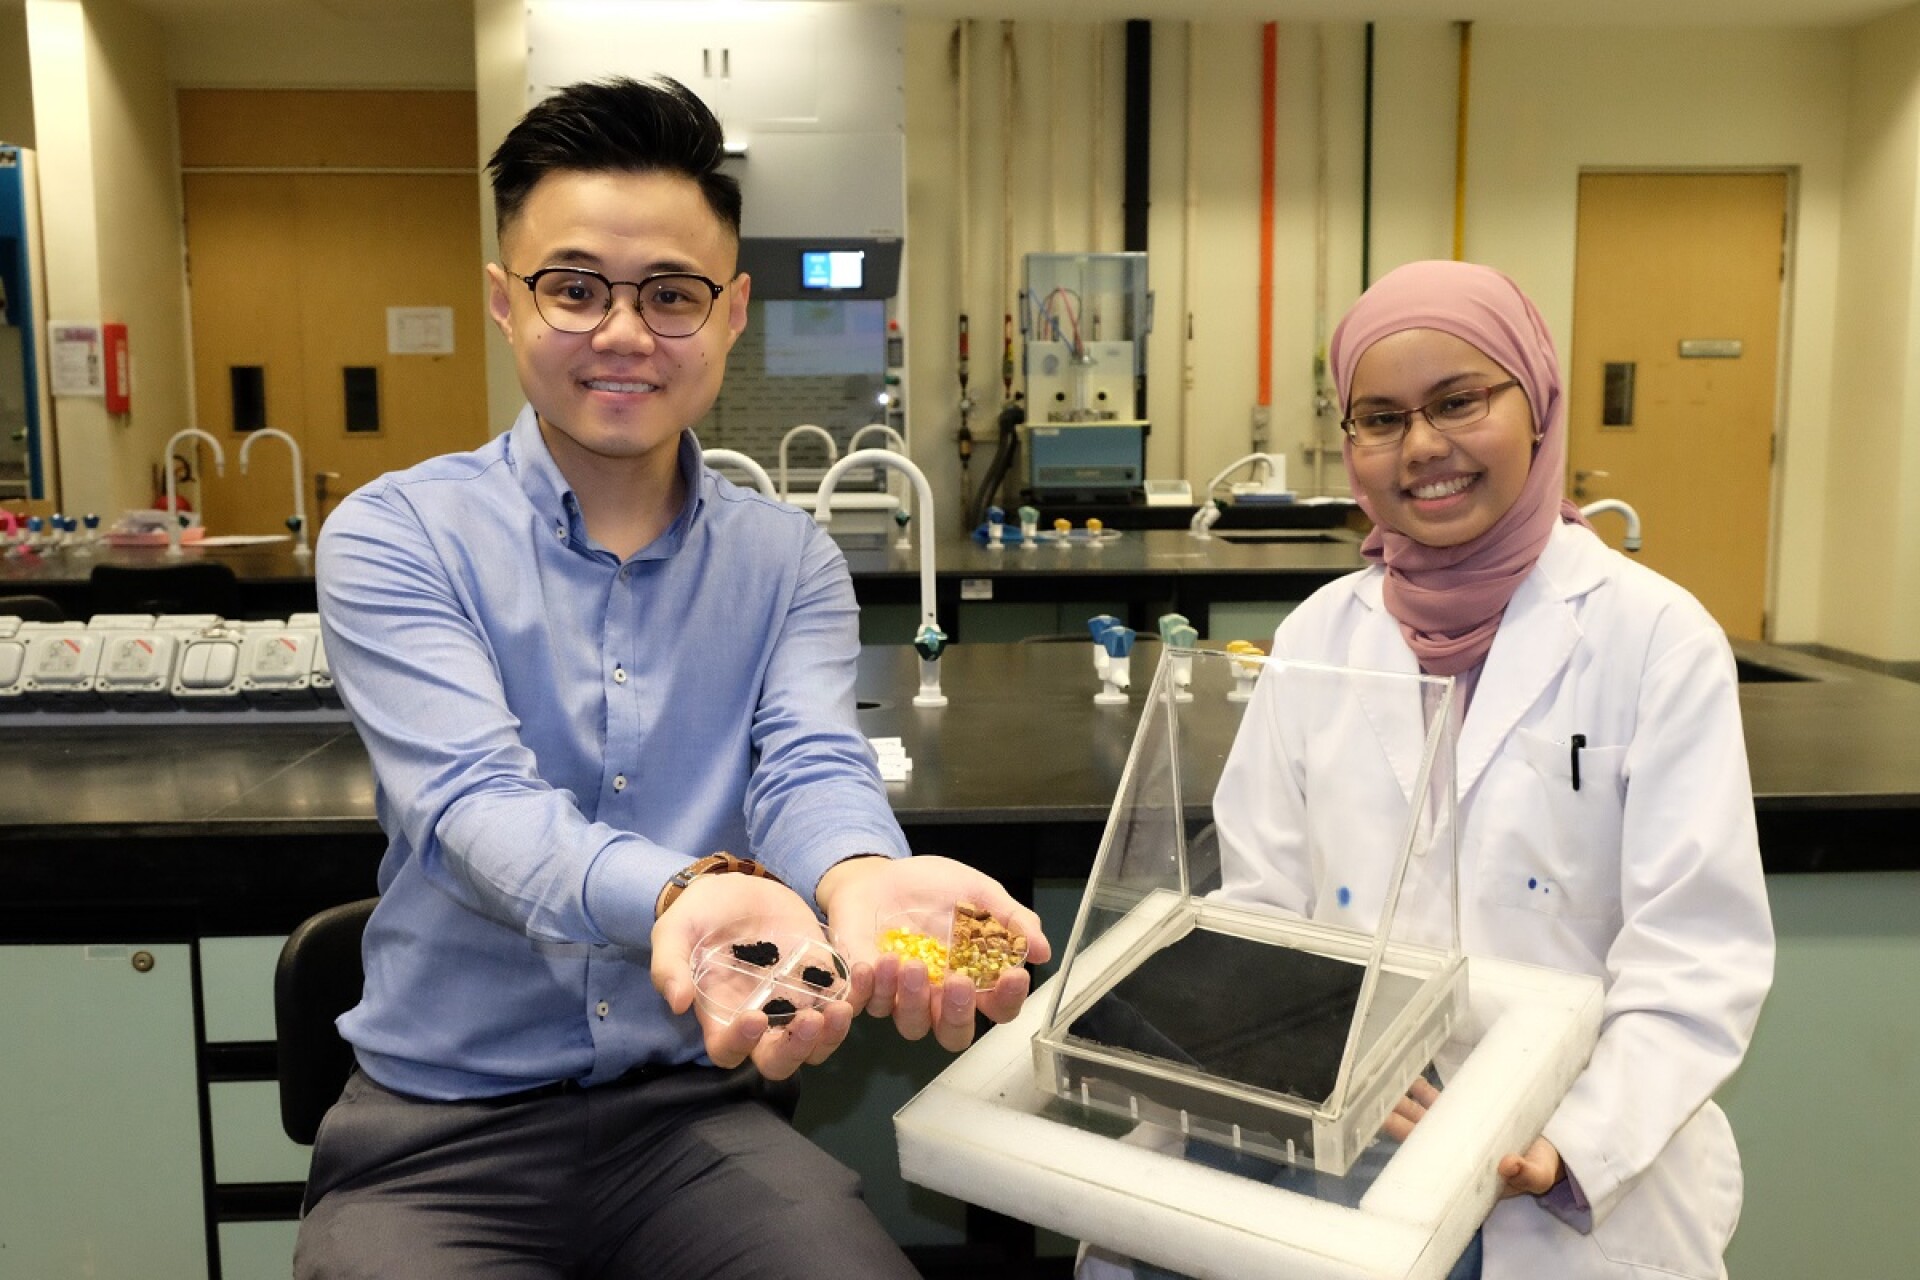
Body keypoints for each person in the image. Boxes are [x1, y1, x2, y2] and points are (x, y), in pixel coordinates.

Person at [302, 76, 1047, 1279]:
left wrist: (861, 877)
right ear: (505, 301)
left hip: (690, 1118)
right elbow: (471, 803)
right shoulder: (398, 536)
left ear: (733, 310)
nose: (625, 333)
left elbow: (809, 757)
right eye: (576, 287)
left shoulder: (788, 558)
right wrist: (679, 893)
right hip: (438, 1136)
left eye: (671, 295)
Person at [1084, 260, 1773, 1280]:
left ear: (1535, 403)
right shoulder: (1323, 633)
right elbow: (1260, 909)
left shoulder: (1654, 638)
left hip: (1552, 1155)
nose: (1422, 447)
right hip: (1341, 1125)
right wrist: (1319, 1070)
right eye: (1380, 417)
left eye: (1458, 401)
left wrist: (1565, 1142)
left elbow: (1695, 956)